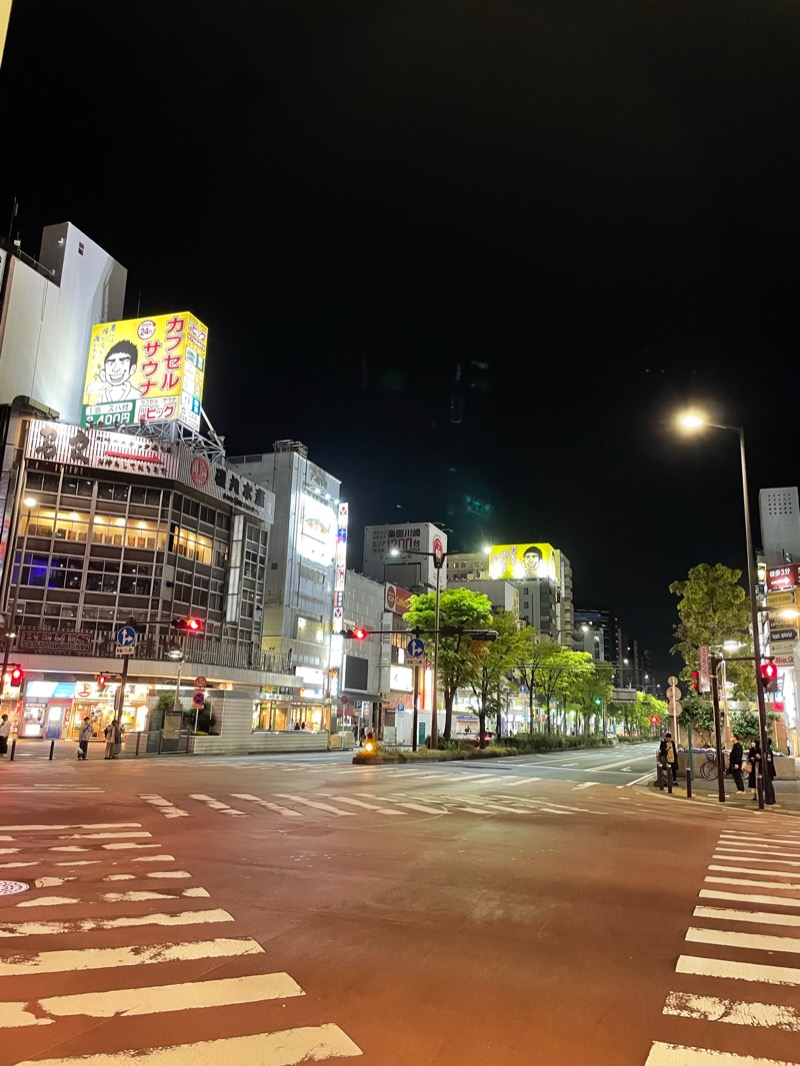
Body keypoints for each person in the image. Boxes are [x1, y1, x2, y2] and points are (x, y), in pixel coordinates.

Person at [86, 339, 142, 404]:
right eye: (110, 363)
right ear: (103, 374)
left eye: (122, 362)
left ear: (132, 369)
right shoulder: (100, 395)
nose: (115, 369)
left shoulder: (136, 395)